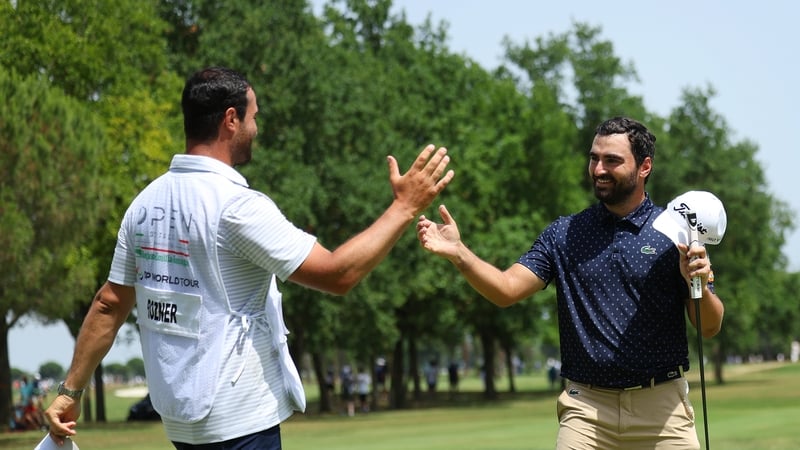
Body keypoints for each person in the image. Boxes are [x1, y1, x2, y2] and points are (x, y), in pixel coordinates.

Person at [44, 66, 454, 449]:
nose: (257, 127)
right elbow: (338, 274)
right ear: (230, 120)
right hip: (239, 422)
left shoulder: (144, 203)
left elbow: (110, 302)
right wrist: (404, 207)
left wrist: (70, 392)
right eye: (253, 116)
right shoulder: (237, 206)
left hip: (182, 422)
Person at [417, 116, 724, 449]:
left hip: (663, 410)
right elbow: (506, 290)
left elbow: (708, 326)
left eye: (612, 160)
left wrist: (696, 282)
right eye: (594, 158)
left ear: (644, 166)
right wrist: (460, 254)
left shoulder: (675, 232)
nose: (598, 169)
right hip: (586, 411)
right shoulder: (564, 234)